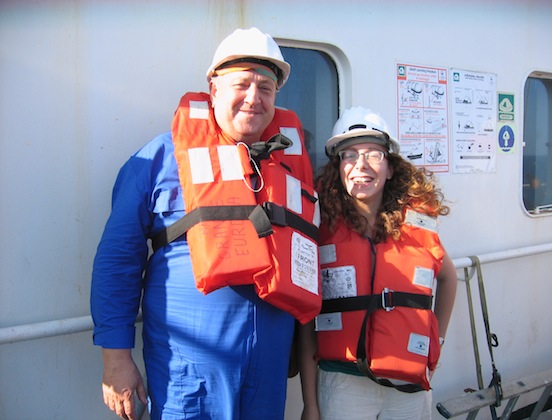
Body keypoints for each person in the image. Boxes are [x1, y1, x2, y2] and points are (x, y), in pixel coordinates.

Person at [91, 27, 320, 420]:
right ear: (213, 88)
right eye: (241, 84)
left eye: (265, 88)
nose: (254, 97)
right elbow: (117, 261)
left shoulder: (289, 168)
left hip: (266, 371)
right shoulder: (161, 158)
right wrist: (116, 359)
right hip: (188, 372)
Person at [299, 107, 458, 420]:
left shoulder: (416, 226)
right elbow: (305, 323)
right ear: (338, 167)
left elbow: (449, 278)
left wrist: (435, 342)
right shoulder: (319, 230)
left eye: (373, 154)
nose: (361, 165)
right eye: (349, 155)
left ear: (390, 168)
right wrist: (310, 404)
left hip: (408, 387)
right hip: (343, 383)